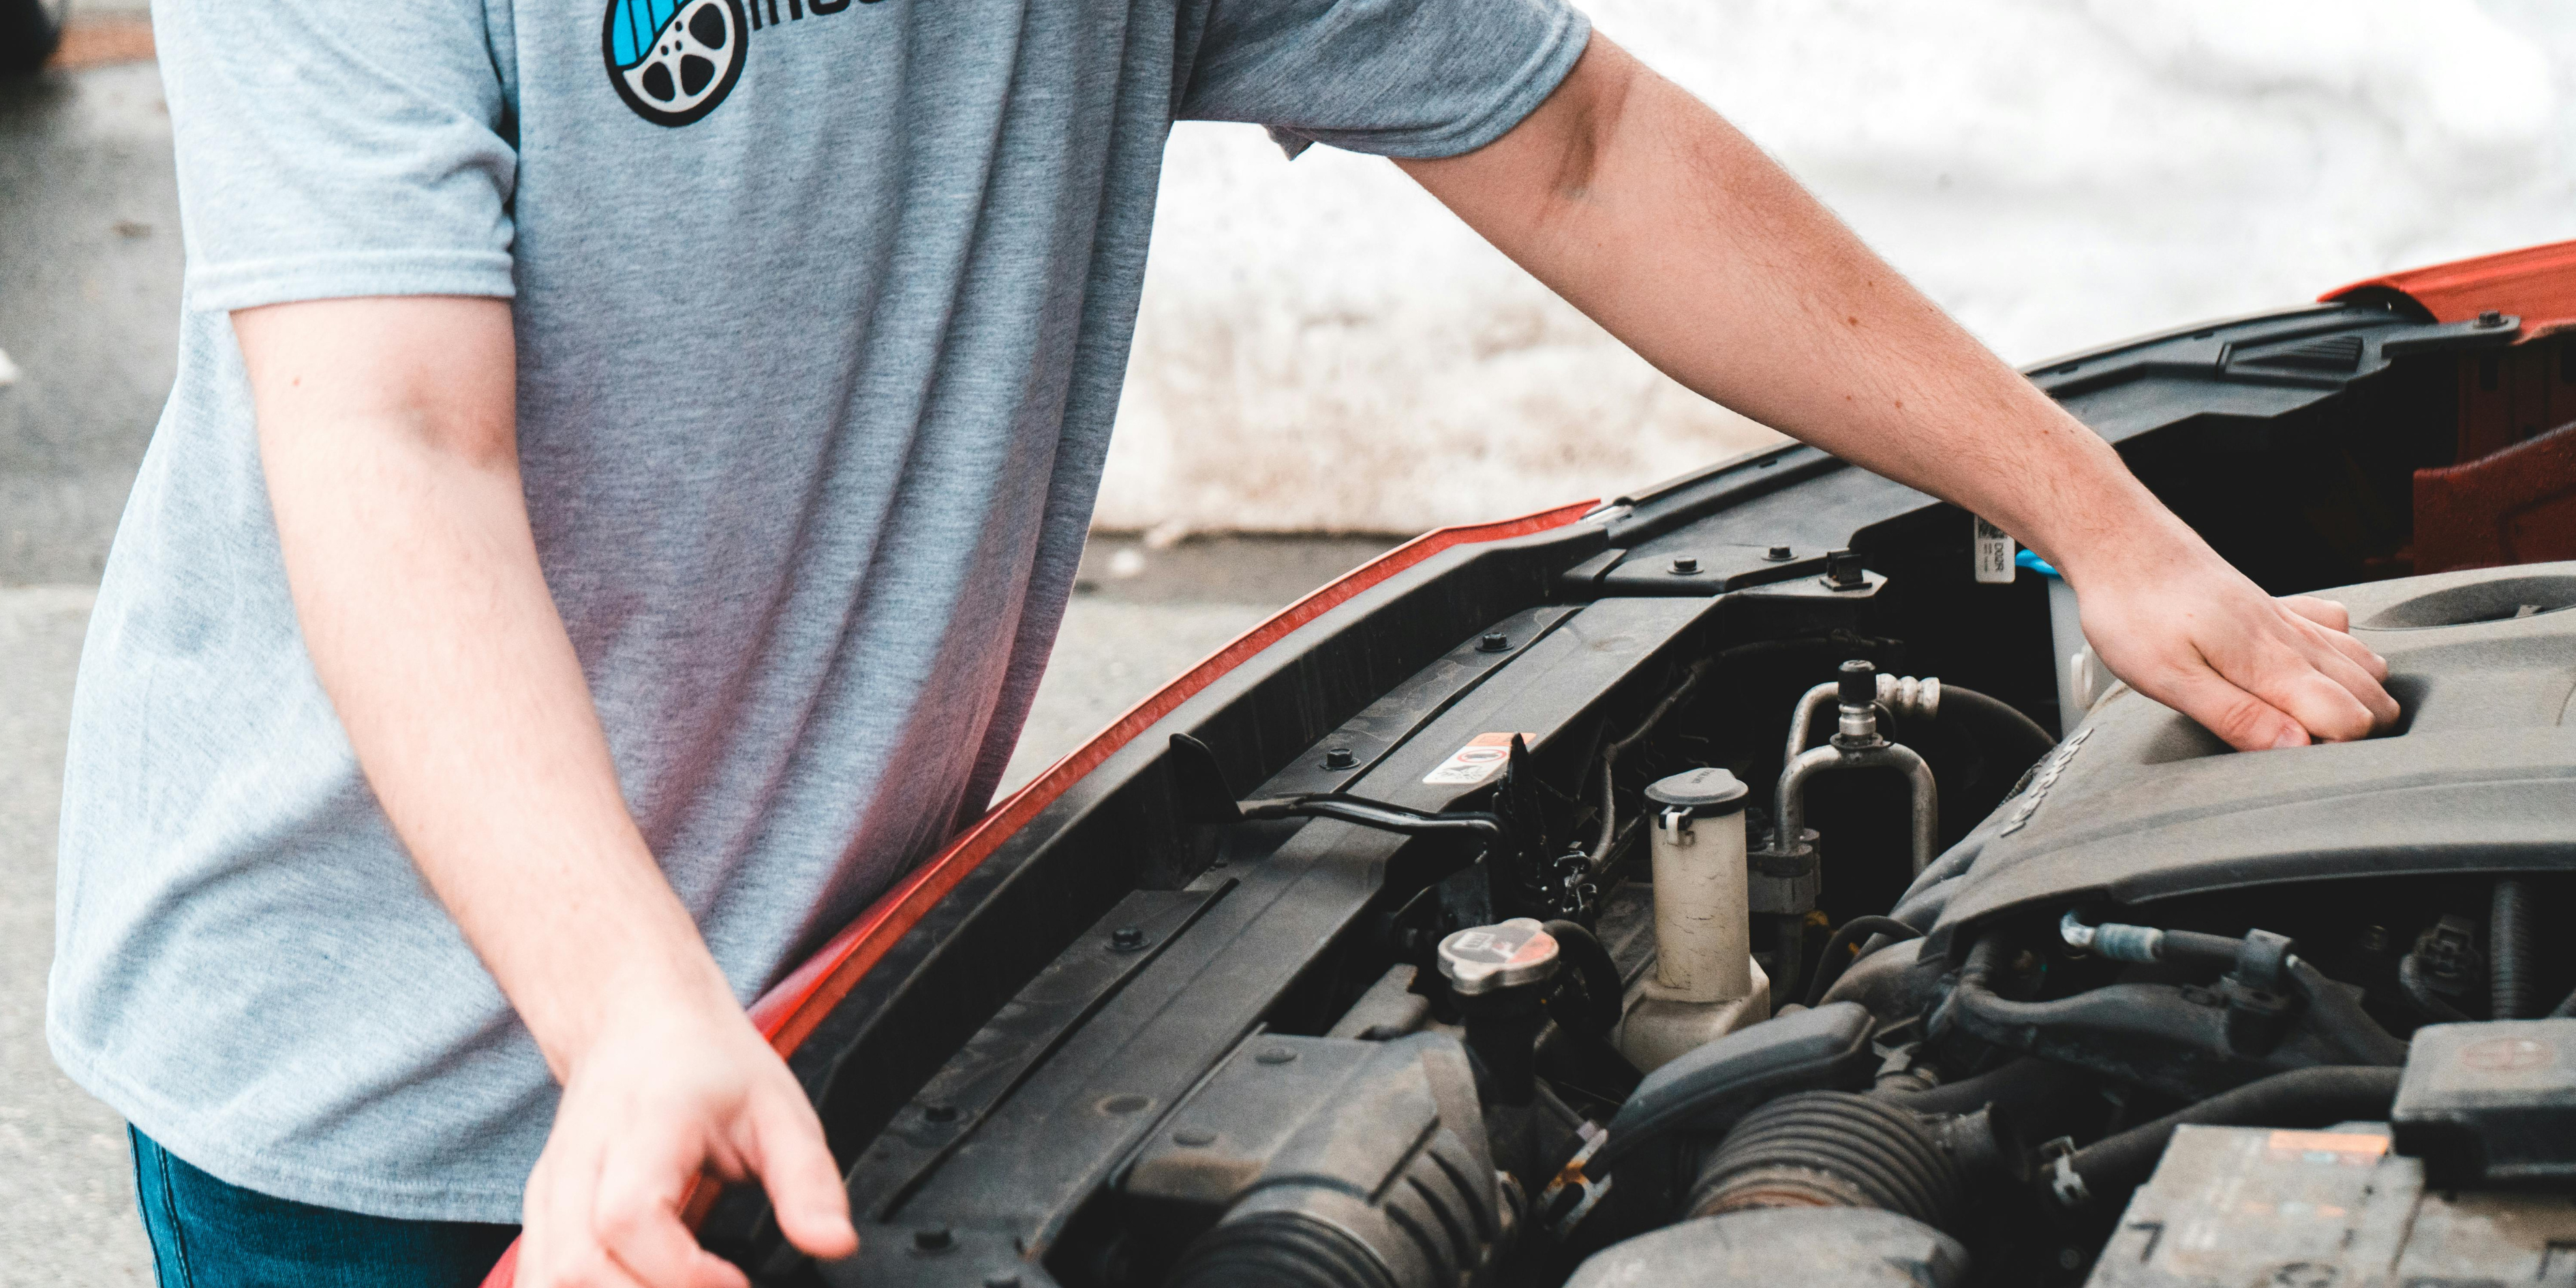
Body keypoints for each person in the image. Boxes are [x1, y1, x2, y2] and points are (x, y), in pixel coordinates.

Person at [50, 0, 2398, 1283]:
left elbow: (1569, 141)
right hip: (388, 1081)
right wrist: (632, 1017)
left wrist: (2098, 522)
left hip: (854, 995)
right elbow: (390, 438)